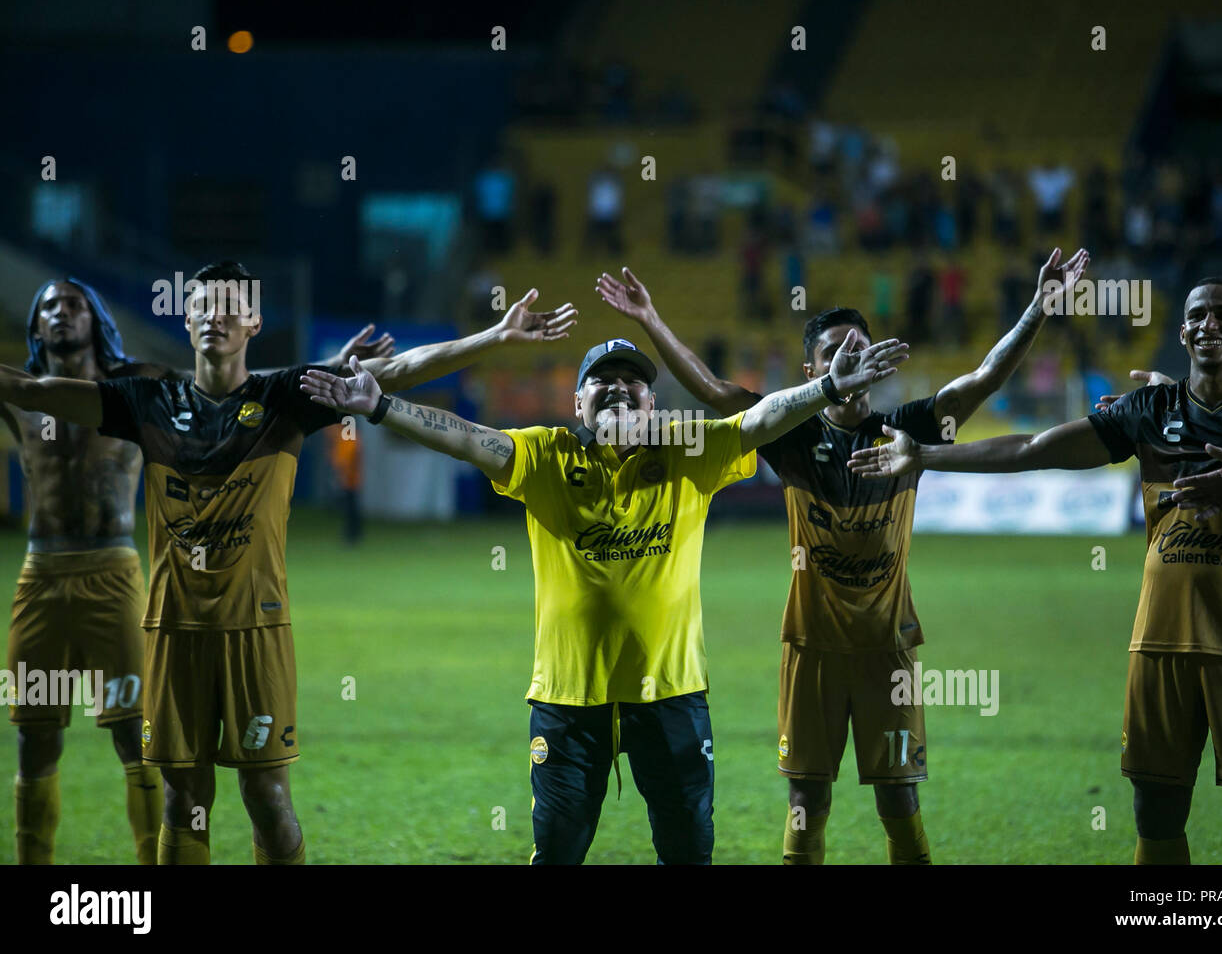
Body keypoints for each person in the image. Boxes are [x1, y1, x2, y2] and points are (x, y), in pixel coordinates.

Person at [0, 262, 574, 864]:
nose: (213, 315)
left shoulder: (287, 397)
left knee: (267, 798)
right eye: (200, 304)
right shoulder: (147, 400)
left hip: (256, 629)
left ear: (253, 322)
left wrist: (493, 338)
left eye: (229, 305)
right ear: (186, 317)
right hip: (173, 631)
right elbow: (30, 391)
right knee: (181, 796)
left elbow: (396, 369)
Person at [299, 330, 909, 864]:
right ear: (577, 401)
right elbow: (465, 438)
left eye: (633, 383)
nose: (619, 390)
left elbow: (757, 420)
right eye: (602, 380)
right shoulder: (545, 456)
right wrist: (381, 405)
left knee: (689, 850)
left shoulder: (687, 450)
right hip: (568, 701)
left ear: (653, 401)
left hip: (670, 695)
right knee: (559, 851)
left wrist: (826, 390)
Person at [595, 251, 1086, 864]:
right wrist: (650, 319)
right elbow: (715, 390)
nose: (850, 358)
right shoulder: (792, 435)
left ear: (878, 362)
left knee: (900, 802)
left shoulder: (908, 432)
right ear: (812, 369)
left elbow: (981, 380)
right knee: (807, 800)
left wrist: (1038, 310)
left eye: (859, 347)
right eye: (834, 353)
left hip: (889, 647)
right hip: (813, 648)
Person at [852, 277, 1222, 864]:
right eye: (1196, 315)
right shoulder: (1149, 411)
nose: (1209, 324)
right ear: (1182, 330)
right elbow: (1035, 448)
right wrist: (928, 456)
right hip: (1160, 641)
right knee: (1156, 809)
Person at [3, 278, 390, 865]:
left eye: (75, 305)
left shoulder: (144, 386)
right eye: (50, 307)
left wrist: (325, 369)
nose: (62, 315)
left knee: (147, 743)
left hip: (122, 572)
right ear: (34, 324)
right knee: (36, 736)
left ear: (97, 319)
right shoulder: (30, 395)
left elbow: (229, 378)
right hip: (44, 573)